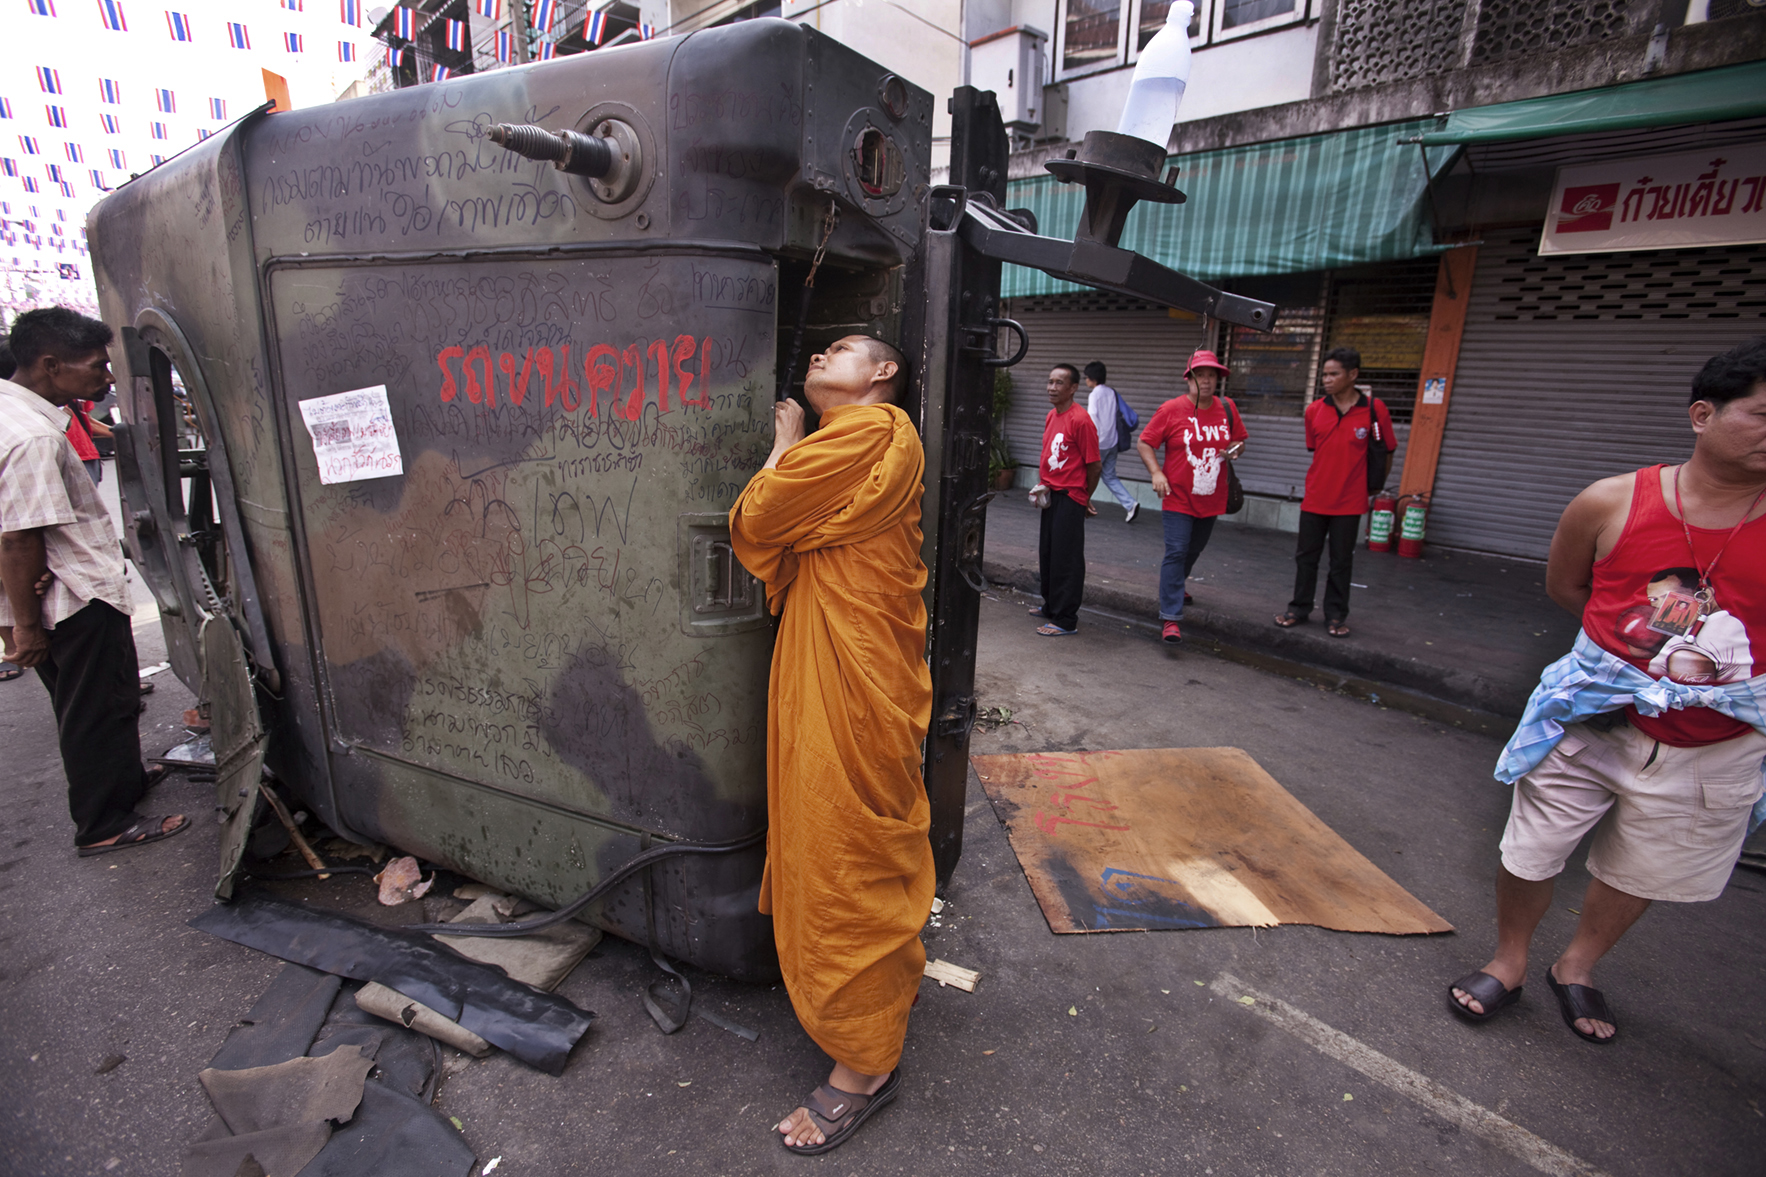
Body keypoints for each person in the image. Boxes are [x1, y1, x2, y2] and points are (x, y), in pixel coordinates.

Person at [1448, 337, 1766, 1045]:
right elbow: (1569, 588)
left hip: (1718, 744)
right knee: (1530, 847)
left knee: (1645, 864)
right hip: (1593, 717)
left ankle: (1578, 964)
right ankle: (1509, 959)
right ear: (1702, 414)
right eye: (1762, 413)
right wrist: (1634, 668)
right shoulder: (1611, 501)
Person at [730, 335, 933, 1154]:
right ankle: (855, 1011)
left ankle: (865, 1064)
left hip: (860, 678)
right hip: (842, 655)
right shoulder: (861, 445)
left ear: (881, 374)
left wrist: (782, 447)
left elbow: (758, 517)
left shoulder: (871, 435)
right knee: (833, 834)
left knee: (849, 844)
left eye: (842, 349)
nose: (821, 355)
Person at [0, 307, 184, 855]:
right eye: (97, 367)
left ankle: (122, 781)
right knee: (94, 710)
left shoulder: (16, 416)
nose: (105, 379)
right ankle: (104, 822)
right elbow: (18, 536)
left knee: (106, 698)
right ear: (51, 365)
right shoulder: (33, 435)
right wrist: (25, 626)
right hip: (74, 600)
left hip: (58, 592)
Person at [1276, 347, 1393, 639]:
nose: (1326, 380)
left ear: (1352, 375)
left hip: (1351, 502)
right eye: (1324, 374)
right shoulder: (1314, 410)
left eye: (1333, 374)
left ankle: (1336, 614)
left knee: (1341, 561)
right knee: (1306, 557)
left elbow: (1387, 451)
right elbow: (1317, 450)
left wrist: (1375, 485)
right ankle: (1299, 608)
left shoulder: (1374, 409)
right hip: (1315, 497)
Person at [1135, 349, 1246, 644]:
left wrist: (1233, 451)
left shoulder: (1228, 407)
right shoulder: (1172, 409)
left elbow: (1239, 442)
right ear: (1189, 378)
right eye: (1200, 375)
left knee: (1194, 549)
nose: (1206, 381)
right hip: (1178, 495)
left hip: (1212, 495)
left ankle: (1176, 583)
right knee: (1177, 549)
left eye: (1212, 375)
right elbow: (1145, 442)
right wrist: (1157, 472)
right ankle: (1171, 618)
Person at [1031, 363, 1101, 636]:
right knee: (1048, 553)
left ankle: (1065, 619)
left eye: (1059, 383)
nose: (1052, 387)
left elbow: (1094, 466)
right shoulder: (1052, 416)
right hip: (1051, 495)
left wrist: (1085, 498)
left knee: (1066, 559)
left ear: (1073, 388)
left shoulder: (1081, 420)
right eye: (1050, 381)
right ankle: (1051, 606)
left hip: (1071, 496)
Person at [1084, 361, 1138, 523]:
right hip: (1112, 442)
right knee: (1109, 476)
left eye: (1086, 377)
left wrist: (1088, 441)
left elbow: (1092, 418)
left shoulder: (1095, 394)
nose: (1085, 380)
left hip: (1098, 443)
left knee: (1085, 473)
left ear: (1092, 378)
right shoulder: (1111, 392)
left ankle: (1081, 504)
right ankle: (1130, 504)